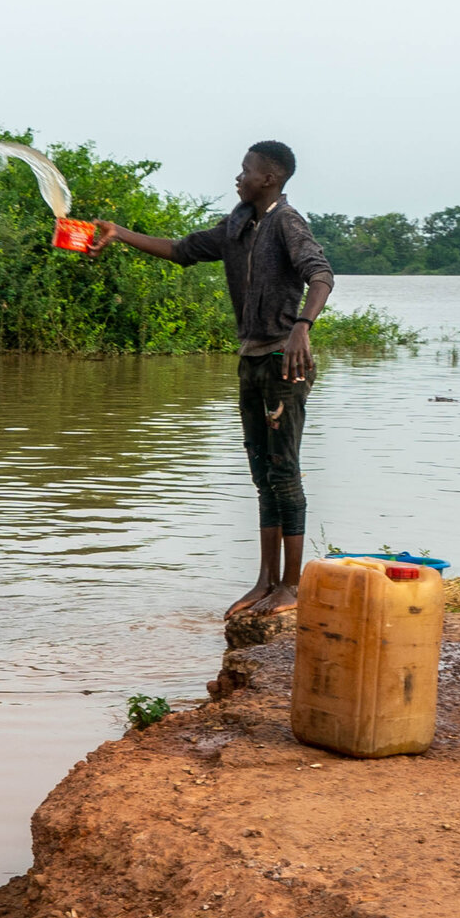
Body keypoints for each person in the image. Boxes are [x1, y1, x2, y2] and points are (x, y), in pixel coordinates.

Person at [92, 141, 333, 617]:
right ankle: (265, 582)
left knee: (284, 474)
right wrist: (119, 233)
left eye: (245, 171)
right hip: (251, 360)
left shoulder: (287, 222)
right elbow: (181, 250)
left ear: (269, 178)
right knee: (263, 475)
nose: (238, 177)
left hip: (285, 361)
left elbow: (320, 274)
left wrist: (302, 328)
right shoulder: (238, 226)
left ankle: (292, 586)